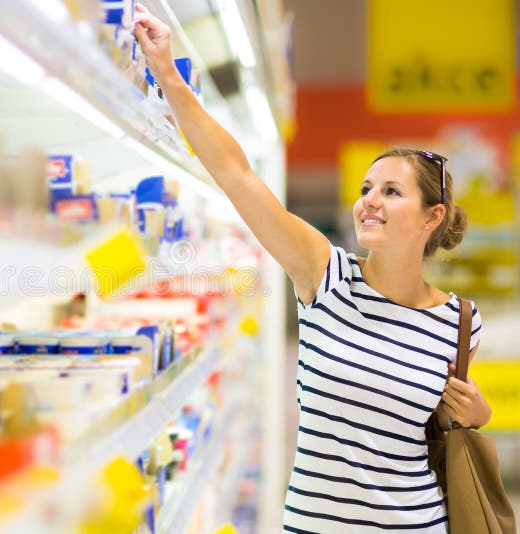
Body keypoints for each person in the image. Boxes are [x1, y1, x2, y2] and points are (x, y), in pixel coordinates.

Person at [133, 5, 492, 532]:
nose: (369, 201)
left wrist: (478, 417)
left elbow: (435, 423)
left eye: (391, 192)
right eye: (366, 189)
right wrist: (168, 73)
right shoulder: (326, 276)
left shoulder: (461, 320)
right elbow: (239, 177)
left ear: (432, 217)